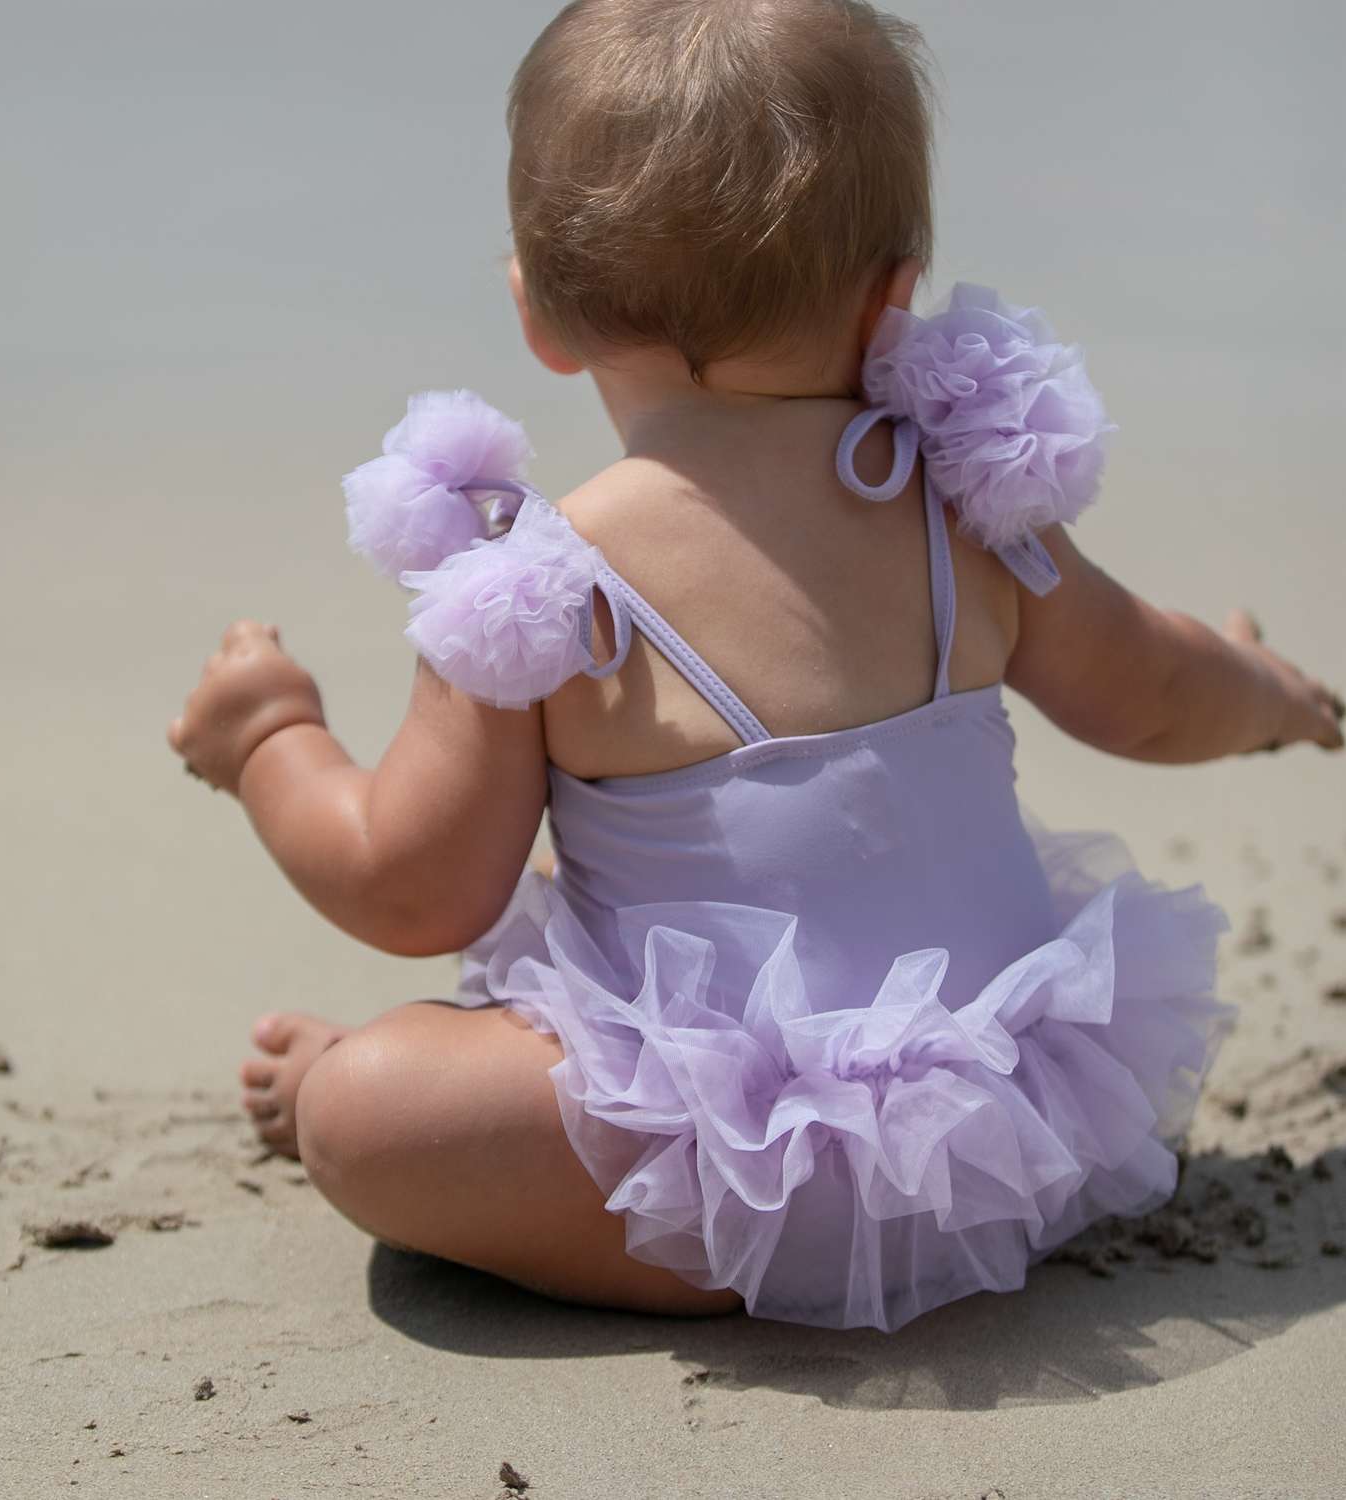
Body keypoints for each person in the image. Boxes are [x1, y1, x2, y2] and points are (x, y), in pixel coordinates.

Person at [167, 0, 1343, 1331]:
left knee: (366, 1104)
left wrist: (271, 738)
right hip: (1004, 1139)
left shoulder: (545, 579)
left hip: (723, 1181)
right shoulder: (963, 510)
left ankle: (698, 1235)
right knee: (583, 882)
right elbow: (1159, 692)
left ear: (536, 313)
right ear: (896, 296)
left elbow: (410, 882)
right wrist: (1273, 695)